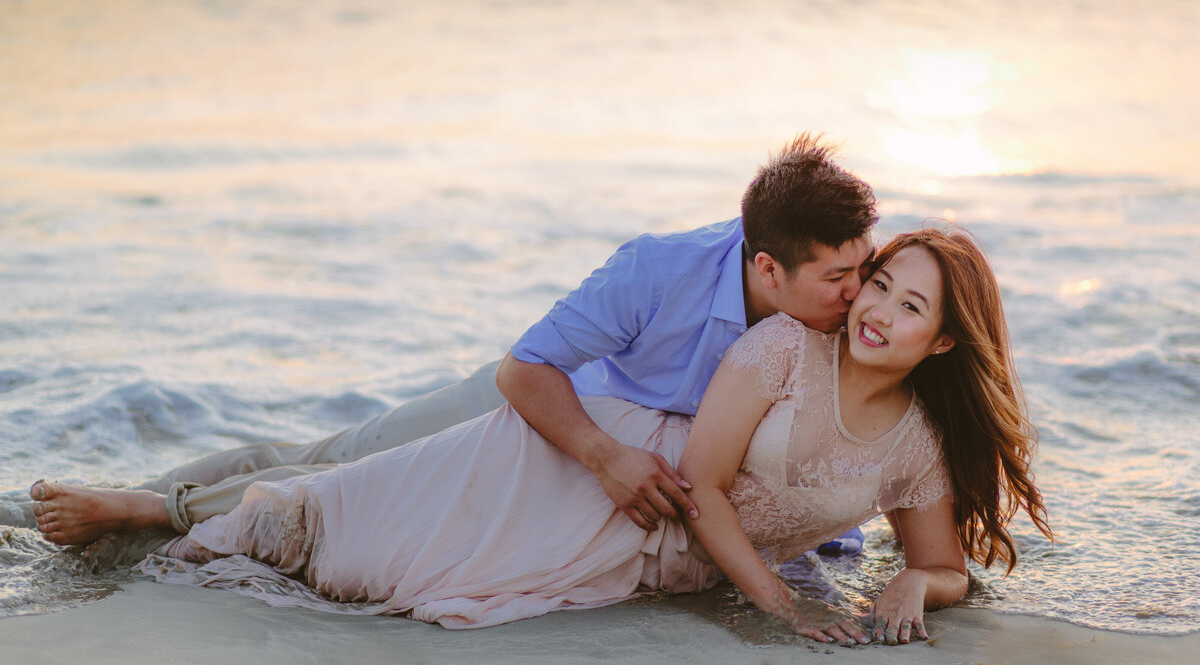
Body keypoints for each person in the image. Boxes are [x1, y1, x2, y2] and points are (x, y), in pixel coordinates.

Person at [121, 227, 1051, 644]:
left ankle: (164, 514)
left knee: (380, 568)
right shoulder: (783, 347)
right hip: (592, 458)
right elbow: (705, 481)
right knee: (340, 510)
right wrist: (782, 605)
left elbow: (944, 563)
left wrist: (908, 587)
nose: (876, 306)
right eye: (879, 282)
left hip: (654, 527)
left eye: (907, 300)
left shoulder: (920, 443)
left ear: (948, 339)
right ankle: (145, 513)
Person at [31, 134, 878, 544]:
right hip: (545, 410)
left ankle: (147, 506)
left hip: (595, 450)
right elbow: (525, 367)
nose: (855, 295)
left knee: (339, 483)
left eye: (863, 269)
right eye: (836, 280)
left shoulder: (850, 318)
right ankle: (145, 505)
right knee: (338, 455)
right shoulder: (660, 270)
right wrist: (603, 455)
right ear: (768, 270)